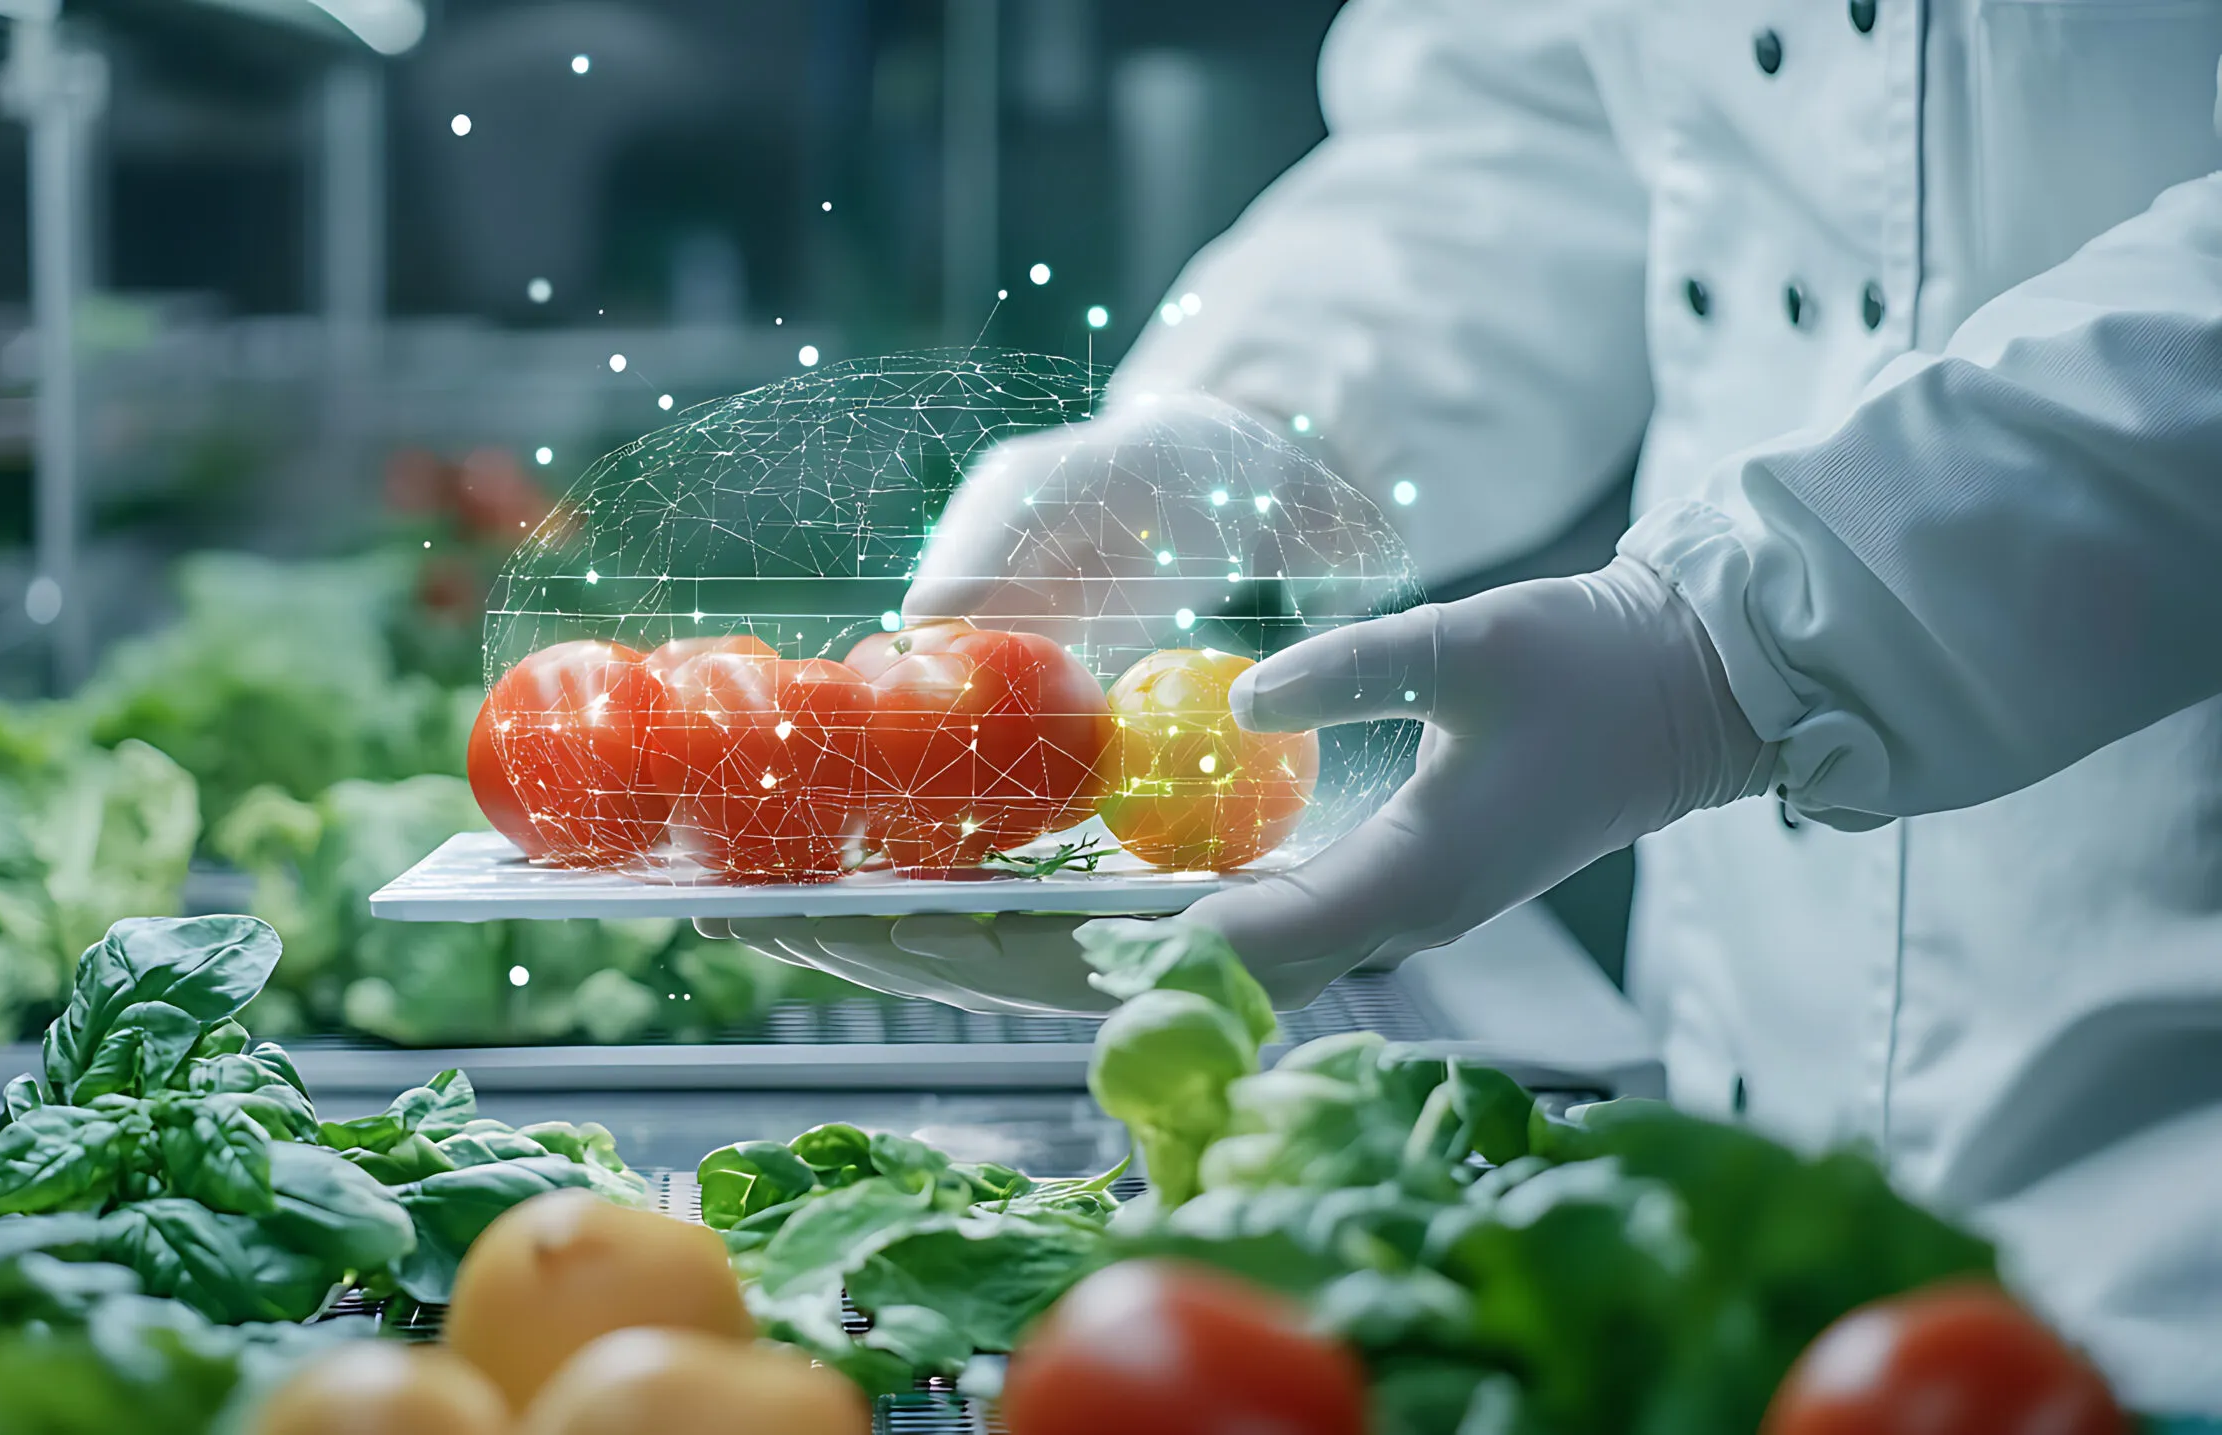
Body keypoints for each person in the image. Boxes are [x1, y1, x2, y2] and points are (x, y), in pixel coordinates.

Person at [713, 1, 2222, 1411]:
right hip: (1741, 1102)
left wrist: (1729, 643)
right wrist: (1241, 428)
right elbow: (1522, 125)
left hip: (2162, 1166)